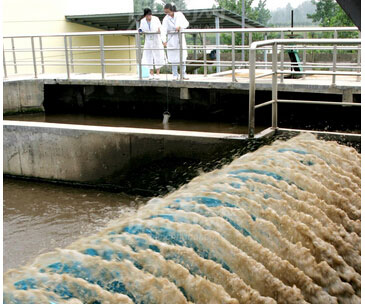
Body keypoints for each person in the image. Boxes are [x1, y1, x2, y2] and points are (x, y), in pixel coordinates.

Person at [162, 3, 189, 80]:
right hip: (171, 39)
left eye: (168, 12)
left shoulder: (179, 15)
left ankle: (184, 73)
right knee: (173, 57)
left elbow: (186, 23)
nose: (167, 14)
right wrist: (164, 40)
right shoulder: (165, 19)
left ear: (172, 10)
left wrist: (180, 26)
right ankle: (175, 74)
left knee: (182, 56)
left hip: (180, 38)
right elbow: (163, 30)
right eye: (166, 13)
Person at [139, 8, 165, 80]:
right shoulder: (142, 21)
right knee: (148, 56)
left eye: (150, 15)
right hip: (148, 40)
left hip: (156, 39)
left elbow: (161, 28)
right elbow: (141, 29)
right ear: (145, 16)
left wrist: (160, 32)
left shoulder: (156, 19)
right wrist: (140, 31)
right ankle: (151, 73)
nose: (149, 17)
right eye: (147, 15)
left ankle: (157, 73)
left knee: (158, 55)